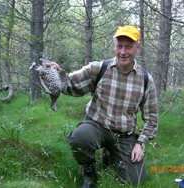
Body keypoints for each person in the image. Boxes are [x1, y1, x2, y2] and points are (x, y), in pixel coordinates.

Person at [47, 25, 158, 188]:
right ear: (114, 46)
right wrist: (56, 73)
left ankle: (109, 153)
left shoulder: (146, 80)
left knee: (136, 181)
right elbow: (71, 84)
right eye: (119, 46)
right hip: (97, 125)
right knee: (80, 138)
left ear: (137, 47)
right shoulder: (98, 69)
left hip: (124, 135)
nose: (123, 52)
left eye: (128, 47)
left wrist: (140, 144)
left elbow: (152, 119)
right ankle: (89, 173)